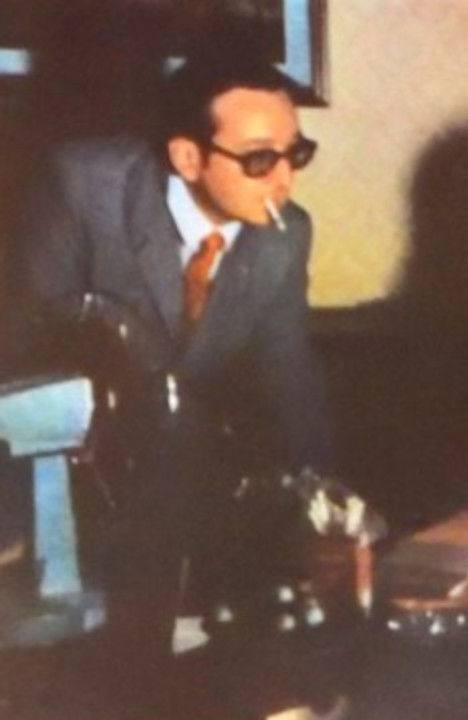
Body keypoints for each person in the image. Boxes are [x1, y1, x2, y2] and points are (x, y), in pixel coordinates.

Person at [12, 56, 333, 715]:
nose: (286, 178)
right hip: (50, 476)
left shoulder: (284, 235)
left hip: (174, 481)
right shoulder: (82, 187)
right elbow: (29, 350)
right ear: (188, 157)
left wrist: (329, 505)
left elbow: (291, 381)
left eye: (296, 153)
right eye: (260, 159)